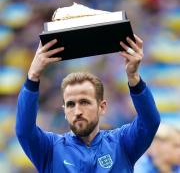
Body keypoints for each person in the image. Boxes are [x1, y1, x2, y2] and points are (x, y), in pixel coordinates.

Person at [16, 34, 160, 173]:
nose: (77, 110)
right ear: (65, 111)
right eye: (71, 104)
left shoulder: (121, 143)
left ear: (102, 107)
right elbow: (24, 130)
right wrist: (33, 76)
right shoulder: (50, 149)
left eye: (84, 102)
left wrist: (133, 77)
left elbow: (150, 122)